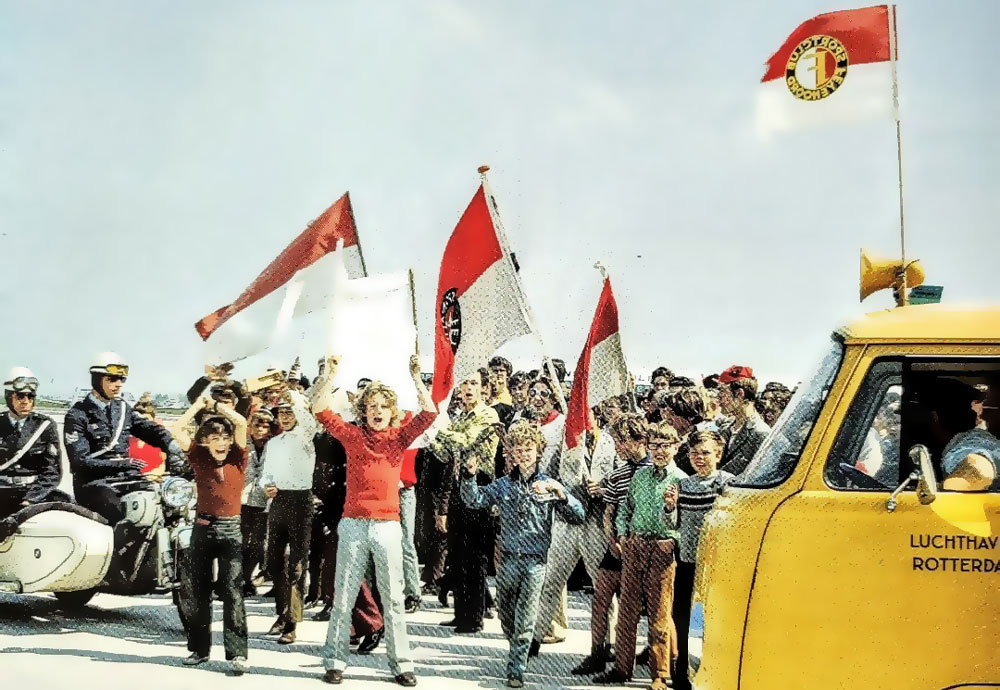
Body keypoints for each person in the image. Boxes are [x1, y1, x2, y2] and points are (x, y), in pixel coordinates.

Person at [312, 354, 436, 687]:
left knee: (394, 598)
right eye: (372, 406)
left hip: (388, 527)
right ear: (364, 410)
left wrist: (415, 378)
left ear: (391, 411)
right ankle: (336, 660)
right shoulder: (352, 436)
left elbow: (429, 413)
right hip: (352, 524)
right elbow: (320, 410)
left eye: (383, 406)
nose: (377, 411)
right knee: (344, 595)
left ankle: (401, 663)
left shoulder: (399, 438)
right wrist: (329, 375)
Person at [461, 420, 585, 688]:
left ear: (538, 451)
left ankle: (516, 667)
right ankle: (515, 646)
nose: (523, 454)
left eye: (528, 449)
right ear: (510, 454)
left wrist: (561, 495)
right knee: (507, 616)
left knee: (526, 617)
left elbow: (578, 515)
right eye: (517, 450)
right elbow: (475, 501)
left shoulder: (550, 484)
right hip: (507, 559)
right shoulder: (504, 484)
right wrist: (469, 476)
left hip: (536, 561)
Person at [595, 421, 687, 689]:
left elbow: (684, 521)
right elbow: (626, 508)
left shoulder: (680, 480)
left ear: (675, 447)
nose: (659, 451)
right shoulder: (640, 476)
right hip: (635, 546)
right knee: (627, 611)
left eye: (665, 446)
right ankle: (622, 669)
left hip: (661, 549)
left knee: (659, 614)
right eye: (655, 446)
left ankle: (660, 674)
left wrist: (673, 539)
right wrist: (622, 533)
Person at [530, 404, 616, 656]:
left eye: (585, 413)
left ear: (595, 415)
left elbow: (623, 479)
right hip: (567, 522)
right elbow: (545, 475)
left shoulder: (610, 444)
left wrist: (603, 486)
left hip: (597, 523)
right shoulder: (565, 442)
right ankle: (534, 637)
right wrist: (556, 491)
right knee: (551, 581)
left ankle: (605, 642)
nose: (580, 418)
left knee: (602, 585)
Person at [571, 413, 651, 676]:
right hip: (616, 546)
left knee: (648, 609)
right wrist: (612, 540)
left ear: (640, 440)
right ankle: (597, 653)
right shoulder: (618, 475)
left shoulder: (653, 471)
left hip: (644, 547)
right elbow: (609, 511)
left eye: (622, 441)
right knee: (601, 597)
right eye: (616, 440)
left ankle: (659, 660)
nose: (618, 446)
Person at [65, 352, 185, 524]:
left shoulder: (121, 408)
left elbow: (147, 428)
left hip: (128, 478)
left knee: (165, 505)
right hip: (95, 483)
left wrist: (171, 444)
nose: (118, 385)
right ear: (97, 379)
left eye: (121, 380)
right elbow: (80, 462)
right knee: (120, 513)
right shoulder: (78, 414)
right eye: (112, 379)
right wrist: (122, 464)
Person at [181, 395, 250, 675]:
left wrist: (218, 407)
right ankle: (199, 650)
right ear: (205, 441)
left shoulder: (239, 457)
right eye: (214, 438)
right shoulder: (198, 457)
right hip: (202, 528)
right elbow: (178, 429)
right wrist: (199, 407)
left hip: (231, 529)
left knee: (233, 591)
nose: (220, 443)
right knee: (197, 592)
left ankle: (238, 654)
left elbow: (242, 422)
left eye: (225, 438)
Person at [431, 374, 501, 634]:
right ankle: (461, 614)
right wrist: (433, 435)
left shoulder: (488, 415)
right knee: (458, 555)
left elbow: (467, 440)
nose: (469, 388)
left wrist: (439, 428)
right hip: (460, 486)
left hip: (480, 486)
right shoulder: (459, 417)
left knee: (475, 557)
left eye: (474, 383)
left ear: (485, 388)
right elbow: (444, 452)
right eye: (465, 384)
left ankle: (474, 616)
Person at [258, 387, 321, 644]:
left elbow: (307, 418)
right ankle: (282, 613)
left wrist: (292, 394)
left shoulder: (306, 436)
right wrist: (267, 485)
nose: (284, 417)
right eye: (280, 413)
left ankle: (291, 623)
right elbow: (266, 472)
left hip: (301, 501)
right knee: (273, 563)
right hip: (279, 501)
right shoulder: (274, 443)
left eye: (289, 412)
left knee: (296, 565)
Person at [672, 430, 733, 690]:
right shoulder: (684, 485)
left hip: (714, 563)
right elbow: (673, 524)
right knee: (683, 617)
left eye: (706, 453)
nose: (700, 458)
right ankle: (682, 671)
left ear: (718, 454)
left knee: (708, 620)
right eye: (695, 453)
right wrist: (669, 508)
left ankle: (710, 672)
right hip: (687, 560)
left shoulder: (728, 483)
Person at [0, 368, 66, 516]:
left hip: (32, 492)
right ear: (8, 396)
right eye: (20, 397)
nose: (26, 402)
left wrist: (31, 499)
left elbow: (52, 472)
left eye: (31, 397)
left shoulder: (44, 426)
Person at [241, 409, 273, 596]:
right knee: (241, 543)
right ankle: (239, 580)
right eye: (257, 425)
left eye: (265, 425)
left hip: (263, 501)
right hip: (243, 499)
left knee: (258, 544)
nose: (260, 429)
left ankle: (247, 578)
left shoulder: (274, 446)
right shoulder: (243, 444)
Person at [716, 365, 769, 477]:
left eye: (722, 392)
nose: (718, 398)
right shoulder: (725, 429)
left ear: (740, 394)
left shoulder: (761, 433)